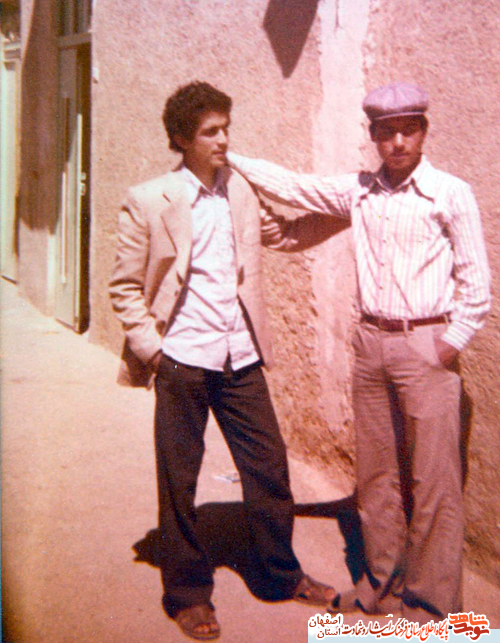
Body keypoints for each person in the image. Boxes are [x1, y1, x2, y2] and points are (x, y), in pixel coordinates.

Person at [227, 82, 491, 625]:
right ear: (373, 137)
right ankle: (380, 587)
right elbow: (295, 187)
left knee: (433, 482)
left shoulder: (450, 193)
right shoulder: (359, 192)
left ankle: (432, 607)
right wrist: (230, 158)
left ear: (423, 132)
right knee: (376, 479)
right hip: (371, 345)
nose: (398, 143)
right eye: (386, 133)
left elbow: (477, 283)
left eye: (408, 130)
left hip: (426, 344)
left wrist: (446, 345)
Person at [109, 81, 335, 641]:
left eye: (226, 128)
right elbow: (124, 286)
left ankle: (280, 575)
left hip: (240, 355)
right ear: (182, 138)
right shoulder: (151, 199)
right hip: (182, 358)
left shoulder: (241, 191)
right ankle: (187, 594)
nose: (223, 140)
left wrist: (351, 209)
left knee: (268, 468)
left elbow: (288, 236)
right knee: (179, 480)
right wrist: (154, 351)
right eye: (211, 131)